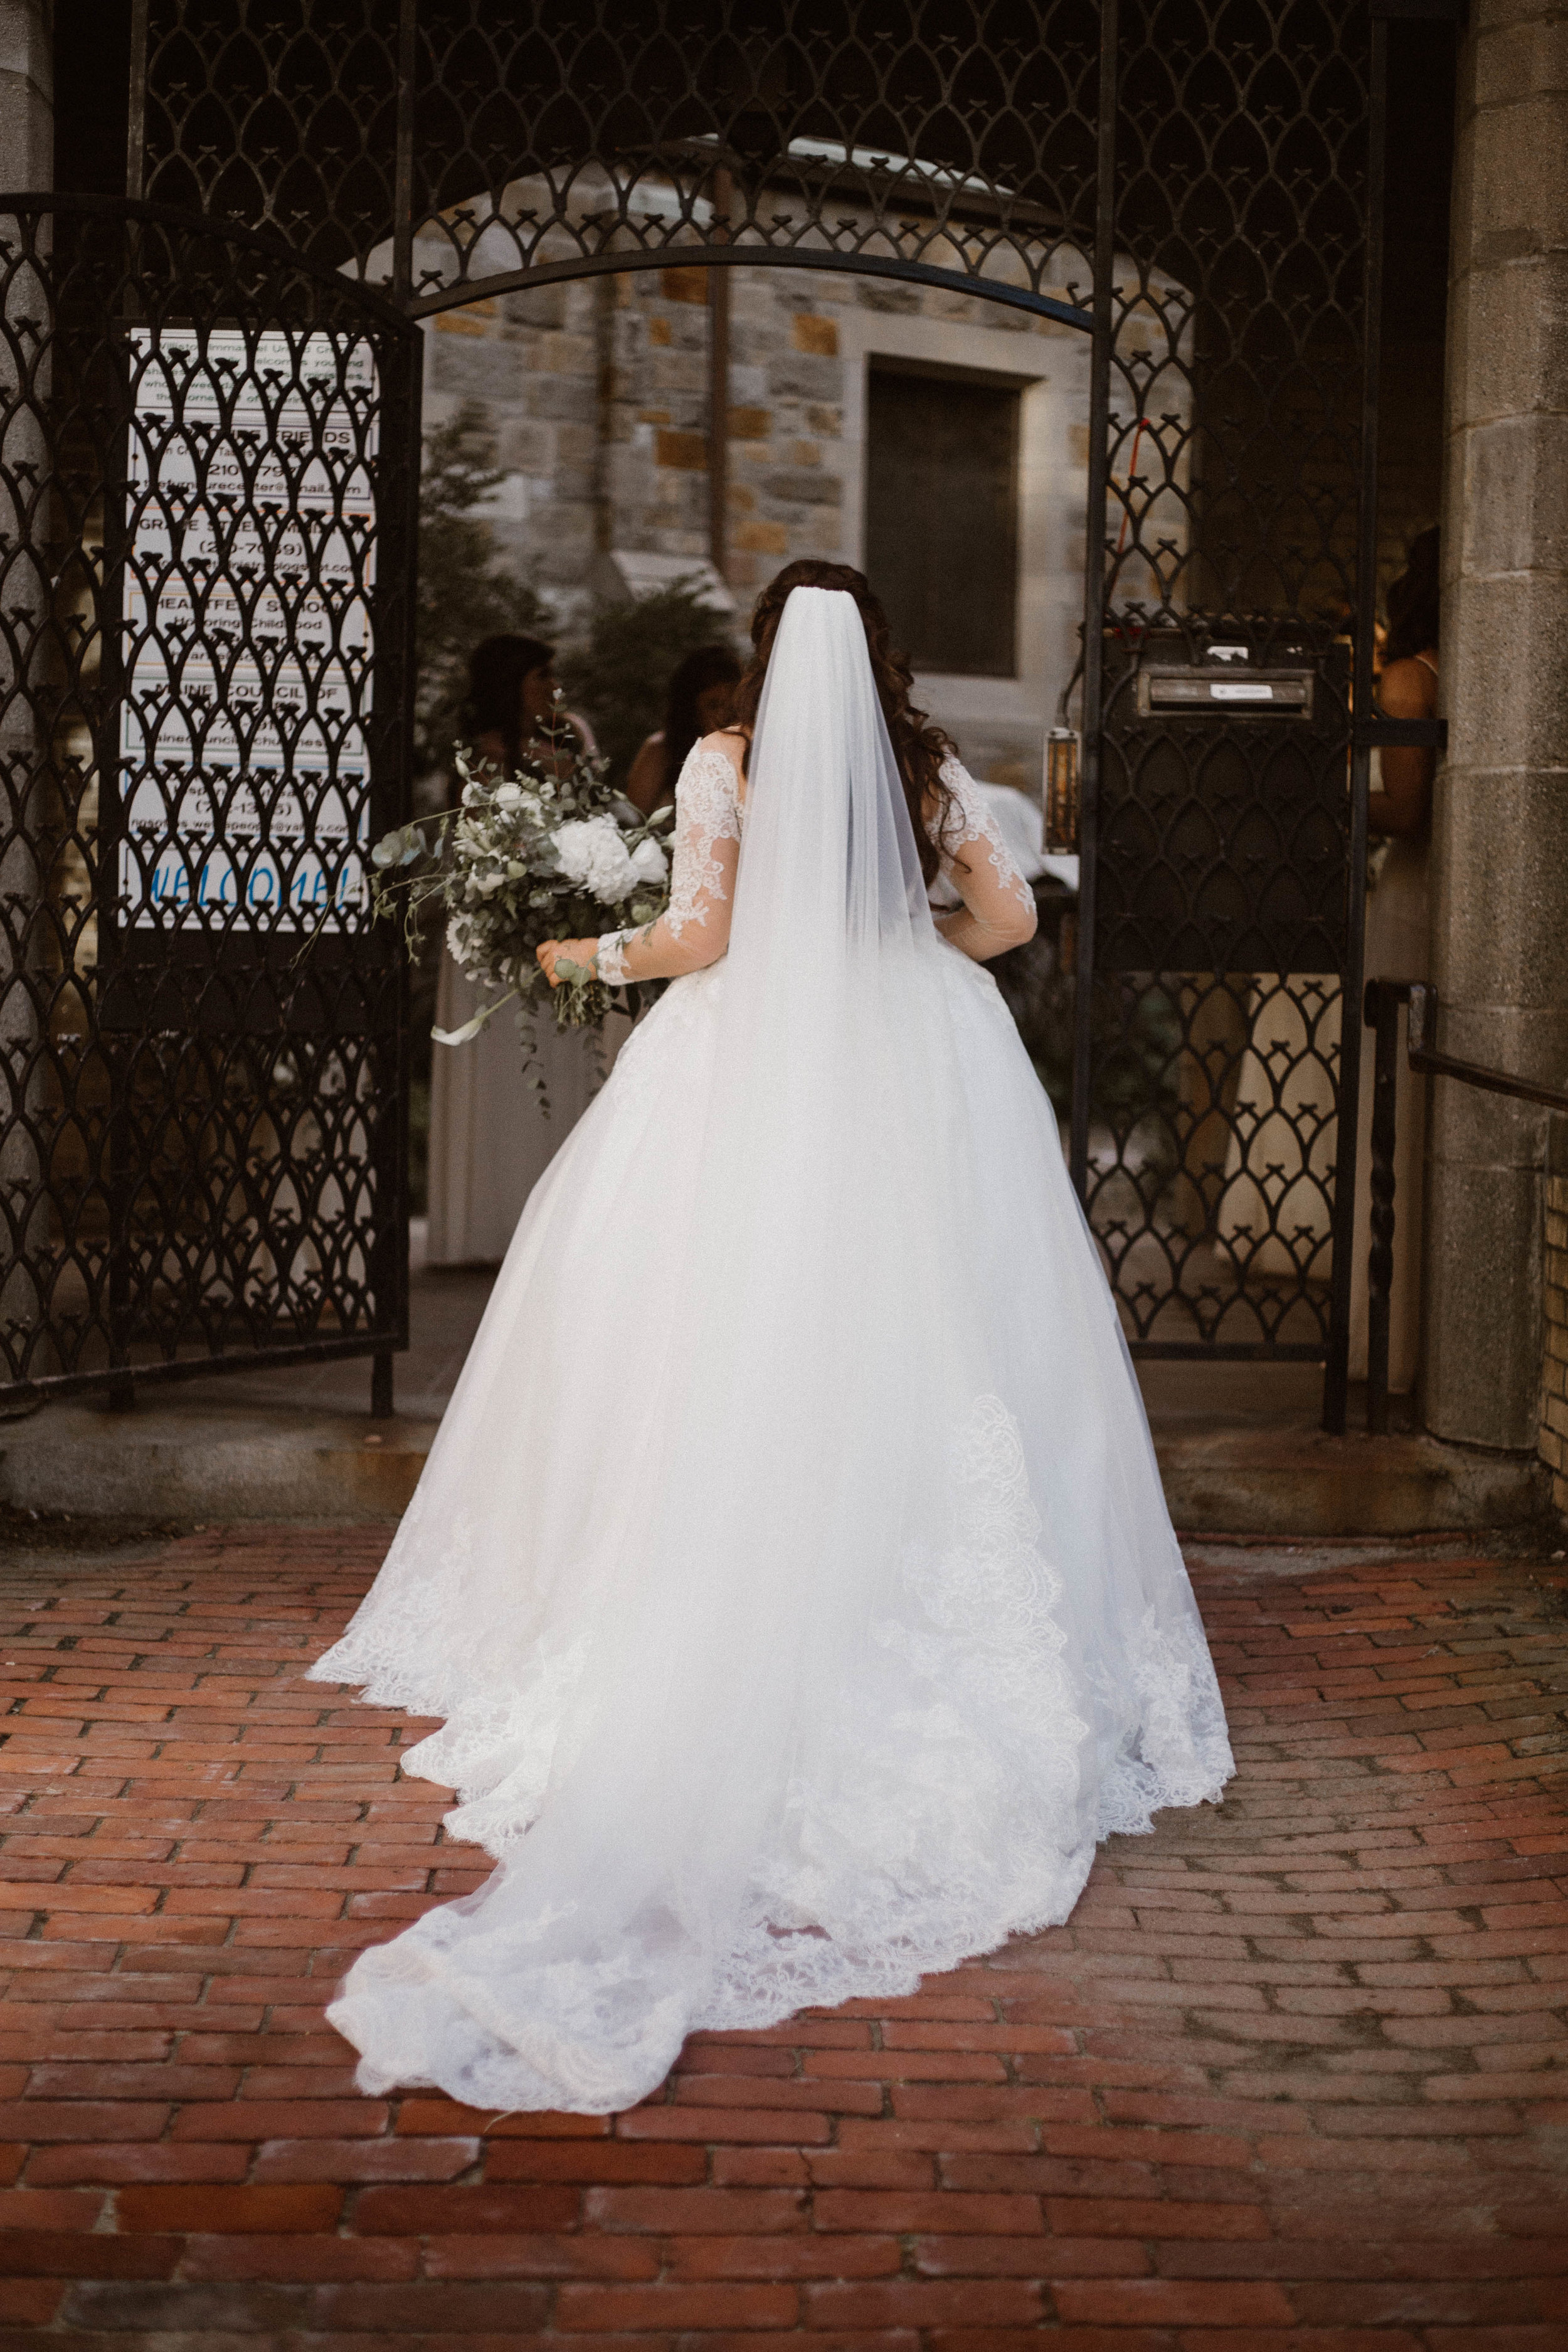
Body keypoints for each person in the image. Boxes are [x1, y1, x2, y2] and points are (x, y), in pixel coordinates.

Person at [310, 560, 1233, 2117]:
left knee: (697, 1321)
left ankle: (704, 1575)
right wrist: (895, 949)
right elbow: (1006, 922)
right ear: (881, 651)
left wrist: (577, 957)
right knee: (939, 1334)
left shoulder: (727, 761)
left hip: (744, 1073)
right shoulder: (927, 768)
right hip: (913, 1062)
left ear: (762, 655)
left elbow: (700, 934)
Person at [425, 633, 629, 1266]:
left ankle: (546, 1226)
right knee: (495, 1066)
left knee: (556, 1061)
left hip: (558, 927)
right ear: (513, 683)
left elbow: (602, 813)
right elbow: (470, 838)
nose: (552, 690)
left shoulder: (571, 735)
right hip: (491, 933)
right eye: (541, 677)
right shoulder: (476, 752)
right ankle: (482, 1228)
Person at [1349, 526, 1441, 1392]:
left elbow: (1406, 811)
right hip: (1453, 884)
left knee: (1398, 1105)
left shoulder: (1411, 677)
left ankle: (1394, 1343)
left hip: (1415, 892)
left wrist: (1331, 790)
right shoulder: (1468, 666)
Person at [625, 642, 743, 815]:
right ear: (692, 712)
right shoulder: (662, 750)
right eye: (713, 705)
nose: (726, 715)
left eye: (732, 705)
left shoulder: (752, 749)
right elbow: (632, 821)